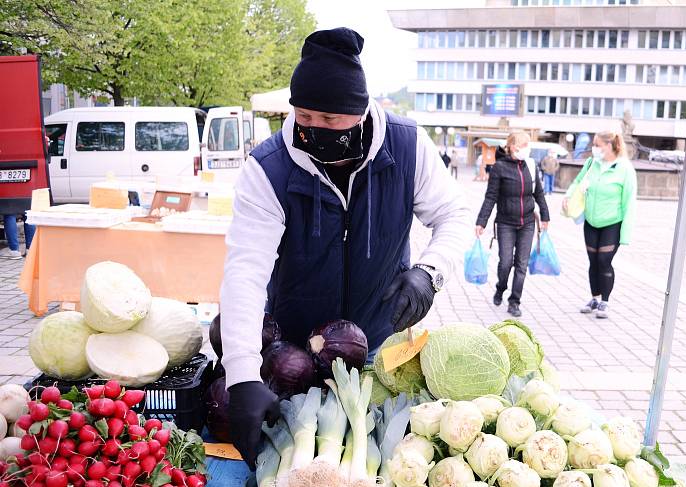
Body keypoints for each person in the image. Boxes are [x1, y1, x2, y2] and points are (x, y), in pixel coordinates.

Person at [219, 27, 470, 468]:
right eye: (304, 117)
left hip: (381, 348)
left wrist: (430, 272)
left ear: (359, 112)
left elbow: (454, 216)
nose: (314, 130)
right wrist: (241, 374)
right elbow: (245, 271)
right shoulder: (269, 169)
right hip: (295, 351)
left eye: (330, 121)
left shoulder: (407, 147)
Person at [562, 131, 637, 319]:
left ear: (611, 146)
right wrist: (568, 195)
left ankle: (605, 301)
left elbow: (629, 202)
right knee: (593, 261)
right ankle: (594, 298)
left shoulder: (625, 169)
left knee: (604, 261)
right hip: (591, 221)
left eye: (598, 145)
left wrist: (625, 234)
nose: (594, 148)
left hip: (612, 223)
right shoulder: (591, 163)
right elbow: (578, 181)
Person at [475, 131, 549, 318]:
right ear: (514, 148)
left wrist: (545, 216)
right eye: (525, 146)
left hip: (528, 223)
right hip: (506, 223)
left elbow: (538, 193)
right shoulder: (499, 167)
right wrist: (481, 222)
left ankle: (514, 301)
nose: (528, 150)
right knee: (506, 262)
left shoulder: (530, 166)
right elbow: (490, 196)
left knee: (521, 265)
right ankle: (500, 288)